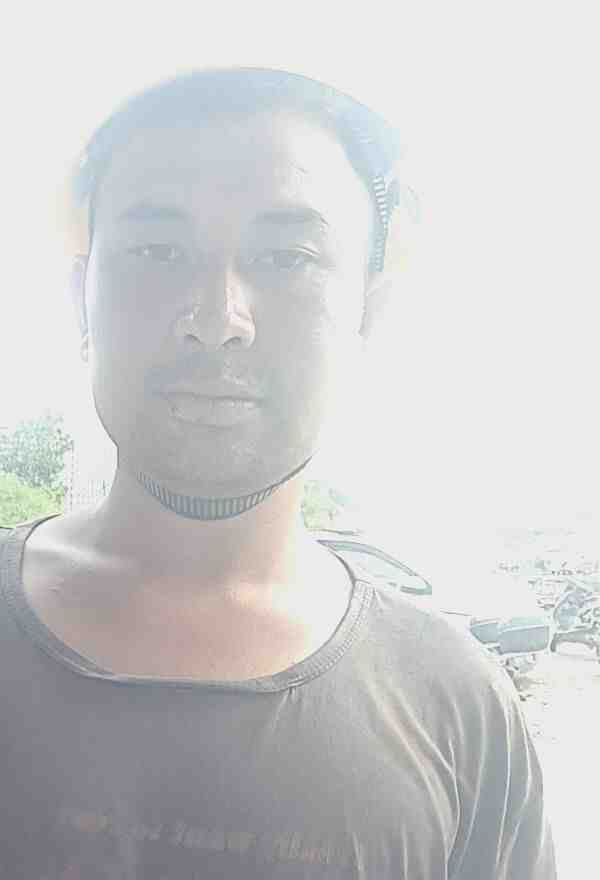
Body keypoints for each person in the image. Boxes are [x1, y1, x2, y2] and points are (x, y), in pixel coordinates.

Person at [0, 68, 556, 877]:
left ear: (368, 313)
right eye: (158, 251)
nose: (217, 318)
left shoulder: (461, 714)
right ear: (82, 297)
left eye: (287, 257)